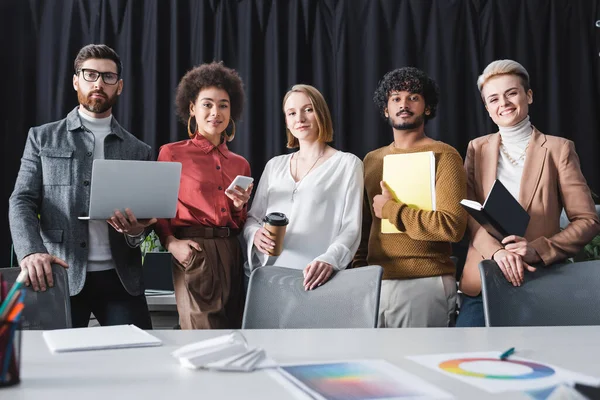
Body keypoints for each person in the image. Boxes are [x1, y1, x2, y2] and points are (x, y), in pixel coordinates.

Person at [9, 44, 156, 328]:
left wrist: (137, 231)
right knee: (57, 367)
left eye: (108, 77)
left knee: (138, 363)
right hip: (59, 274)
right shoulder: (42, 138)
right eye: (90, 75)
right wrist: (31, 251)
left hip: (122, 280)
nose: (99, 83)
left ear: (120, 86)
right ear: (76, 80)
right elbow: (22, 200)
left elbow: (142, 225)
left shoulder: (138, 150)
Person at [456, 59, 600, 327]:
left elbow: (587, 220)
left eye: (511, 93)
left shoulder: (559, 149)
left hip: (540, 277)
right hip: (484, 276)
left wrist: (537, 249)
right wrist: (497, 252)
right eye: (494, 99)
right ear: (487, 108)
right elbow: (469, 215)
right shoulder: (476, 149)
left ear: (528, 95)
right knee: (467, 359)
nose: (504, 103)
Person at [352, 67, 467, 328]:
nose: (404, 104)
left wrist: (393, 210)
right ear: (386, 109)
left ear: (427, 107)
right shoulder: (372, 159)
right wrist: (361, 272)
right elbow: (364, 226)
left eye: (413, 97)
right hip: (373, 283)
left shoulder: (444, 155)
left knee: (417, 365)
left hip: (423, 283)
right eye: (395, 98)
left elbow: (452, 227)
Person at [155, 62, 252, 330]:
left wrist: (238, 207)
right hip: (194, 250)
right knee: (201, 335)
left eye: (223, 105)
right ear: (192, 108)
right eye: (207, 104)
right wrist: (171, 243)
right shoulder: (172, 153)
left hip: (232, 250)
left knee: (233, 333)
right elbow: (159, 208)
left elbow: (240, 221)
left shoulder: (240, 163)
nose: (215, 112)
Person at [243, 84, 363, 291]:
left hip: (316, 277)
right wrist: (254, 234)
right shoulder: (275, 165)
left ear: (321, 114)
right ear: (286, 122)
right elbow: (253, 218)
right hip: (268, 278)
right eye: (291, 113)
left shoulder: (347, 164)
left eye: (308, 109)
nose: (300, 118)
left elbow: (351, 227)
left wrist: (330, 260)